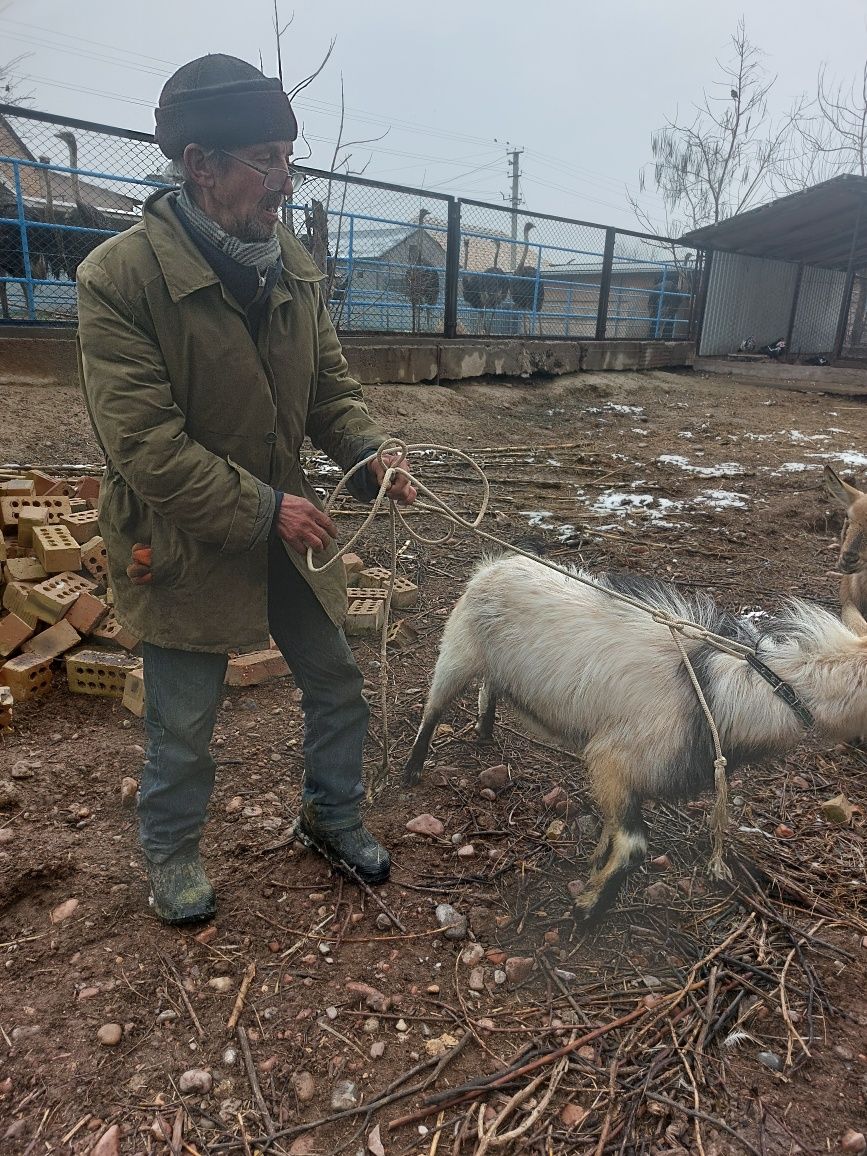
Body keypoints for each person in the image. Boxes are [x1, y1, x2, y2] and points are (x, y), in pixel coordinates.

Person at [76, 54, 416, 925]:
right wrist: (266, 508)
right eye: (265, 157)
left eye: (286, 157)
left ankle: (330, 815)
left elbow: (329, 389)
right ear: (200, 166)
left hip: (284, 529)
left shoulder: (289, 260)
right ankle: (172, 857)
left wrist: (371, 449)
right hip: (185, 536)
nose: (282, 178)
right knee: (185, 723)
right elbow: (144, 445)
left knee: (337, 681)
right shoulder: (119, 281)